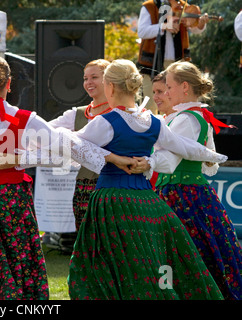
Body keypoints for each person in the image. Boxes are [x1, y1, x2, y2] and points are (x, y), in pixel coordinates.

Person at [0, 55, 139, 300]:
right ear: (9, 84)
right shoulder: (26, 119)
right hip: (10, 200)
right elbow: (66, 145)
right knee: (15, 256)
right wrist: (112, 158)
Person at [67, 59, 226, 300]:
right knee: (150, 263)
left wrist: (113, 158)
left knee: (100, 266)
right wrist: (214, 155)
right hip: (146, 201)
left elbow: (69, 144)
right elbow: (184, 146)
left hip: (112, 201)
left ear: (109, 87)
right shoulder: (153, 121)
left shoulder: (106, 121)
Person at [136, 61, 242, 299]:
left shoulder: (188, 119)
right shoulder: (183, 117)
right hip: (178, 192)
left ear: (184, 87)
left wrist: (147, 160)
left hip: (184, 196)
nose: (166, 92)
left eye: (169, 87)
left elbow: (172, 160)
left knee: (190, 252)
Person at [49, 59, 111, 230]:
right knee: (86, 237)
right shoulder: (76, 114)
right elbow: (45, 132)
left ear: (109, 80)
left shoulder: (121, 112)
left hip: (114, 184)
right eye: (85, 78)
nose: (88, 82)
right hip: (85, 185)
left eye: (94, 77)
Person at [137, 0, 209, 113]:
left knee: (175, 101)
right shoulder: (150, 6)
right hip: (152, 62)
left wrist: (200, 24)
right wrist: (164, 26)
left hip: (177, 62)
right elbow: (142, 31)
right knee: (151, 102)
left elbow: (193, 27)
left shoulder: (183, 7)